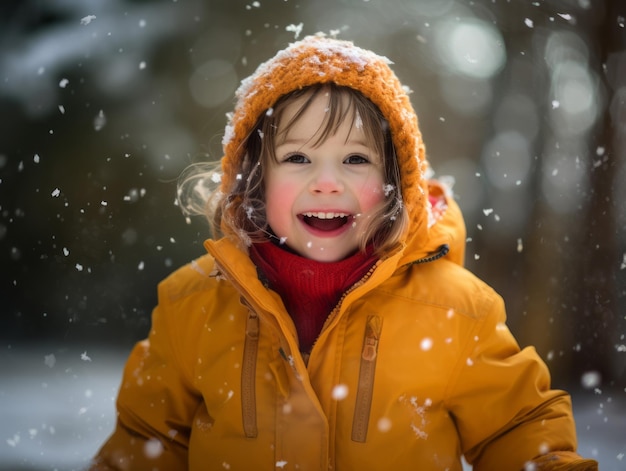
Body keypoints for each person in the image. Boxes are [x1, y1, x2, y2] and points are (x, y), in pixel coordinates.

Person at [90, 34, 598, 470]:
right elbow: (146, 442)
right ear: (256, 180)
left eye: (355, 158)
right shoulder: (193, 305)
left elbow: (517, 430)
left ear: (396, 183)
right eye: (297, 157)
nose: (327, 183)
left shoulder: (455, 313)